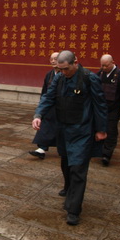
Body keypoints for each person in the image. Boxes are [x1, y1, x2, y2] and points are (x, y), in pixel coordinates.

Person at [32, 51, 107, 226]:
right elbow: (48, 97)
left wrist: (102, 129)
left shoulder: (90, 78)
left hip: (82, 130)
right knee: (66, 163)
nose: (63, 73)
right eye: (60, 69)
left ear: (75, 63)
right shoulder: (59, 78)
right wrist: (38, 115)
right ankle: (68, 188)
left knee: (78, 168)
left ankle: (73, 210)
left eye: (66, 69)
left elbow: (100, 104)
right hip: (63, 130)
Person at [97, 54, 120, 167]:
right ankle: (99, 150)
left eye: (106, 65)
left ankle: (107, 154)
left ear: (113, 62)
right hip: (101, 107)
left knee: (111, 129)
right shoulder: (100, 73)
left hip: (114, 107)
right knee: (99, 128)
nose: (103, 68)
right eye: (102, 65)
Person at [29, 52, 60, 159]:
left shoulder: (66, 73)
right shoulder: (49, 75)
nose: (53, 61)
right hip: (50, 105)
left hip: (63, 106)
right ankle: (42, 148)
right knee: (45, 124)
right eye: (51, 59)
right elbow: (45, 92)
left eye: (55, 59)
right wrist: (42, 106)